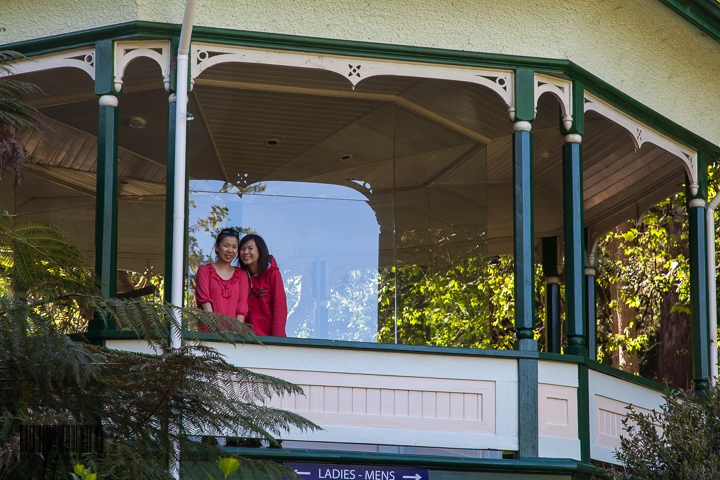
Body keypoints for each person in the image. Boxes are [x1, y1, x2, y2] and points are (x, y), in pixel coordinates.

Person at [195, 228, 249, 331]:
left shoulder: (242, 275)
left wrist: (236, 332)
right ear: (216, 247)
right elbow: (205, 303)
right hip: (209, 333)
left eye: (234, 247)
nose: (230, 250)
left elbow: (242, 309)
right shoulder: (205, 270)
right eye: (226, 246)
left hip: (234, 336)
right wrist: (217, 331)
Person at [238, 234, 287, 336]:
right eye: (242, 249)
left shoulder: (273, 274)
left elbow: (279, 308)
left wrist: (277, 341)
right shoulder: (238, 276)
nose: (246, 252)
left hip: (268, 339)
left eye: (250, 248)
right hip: (245, 340)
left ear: (260, 251)